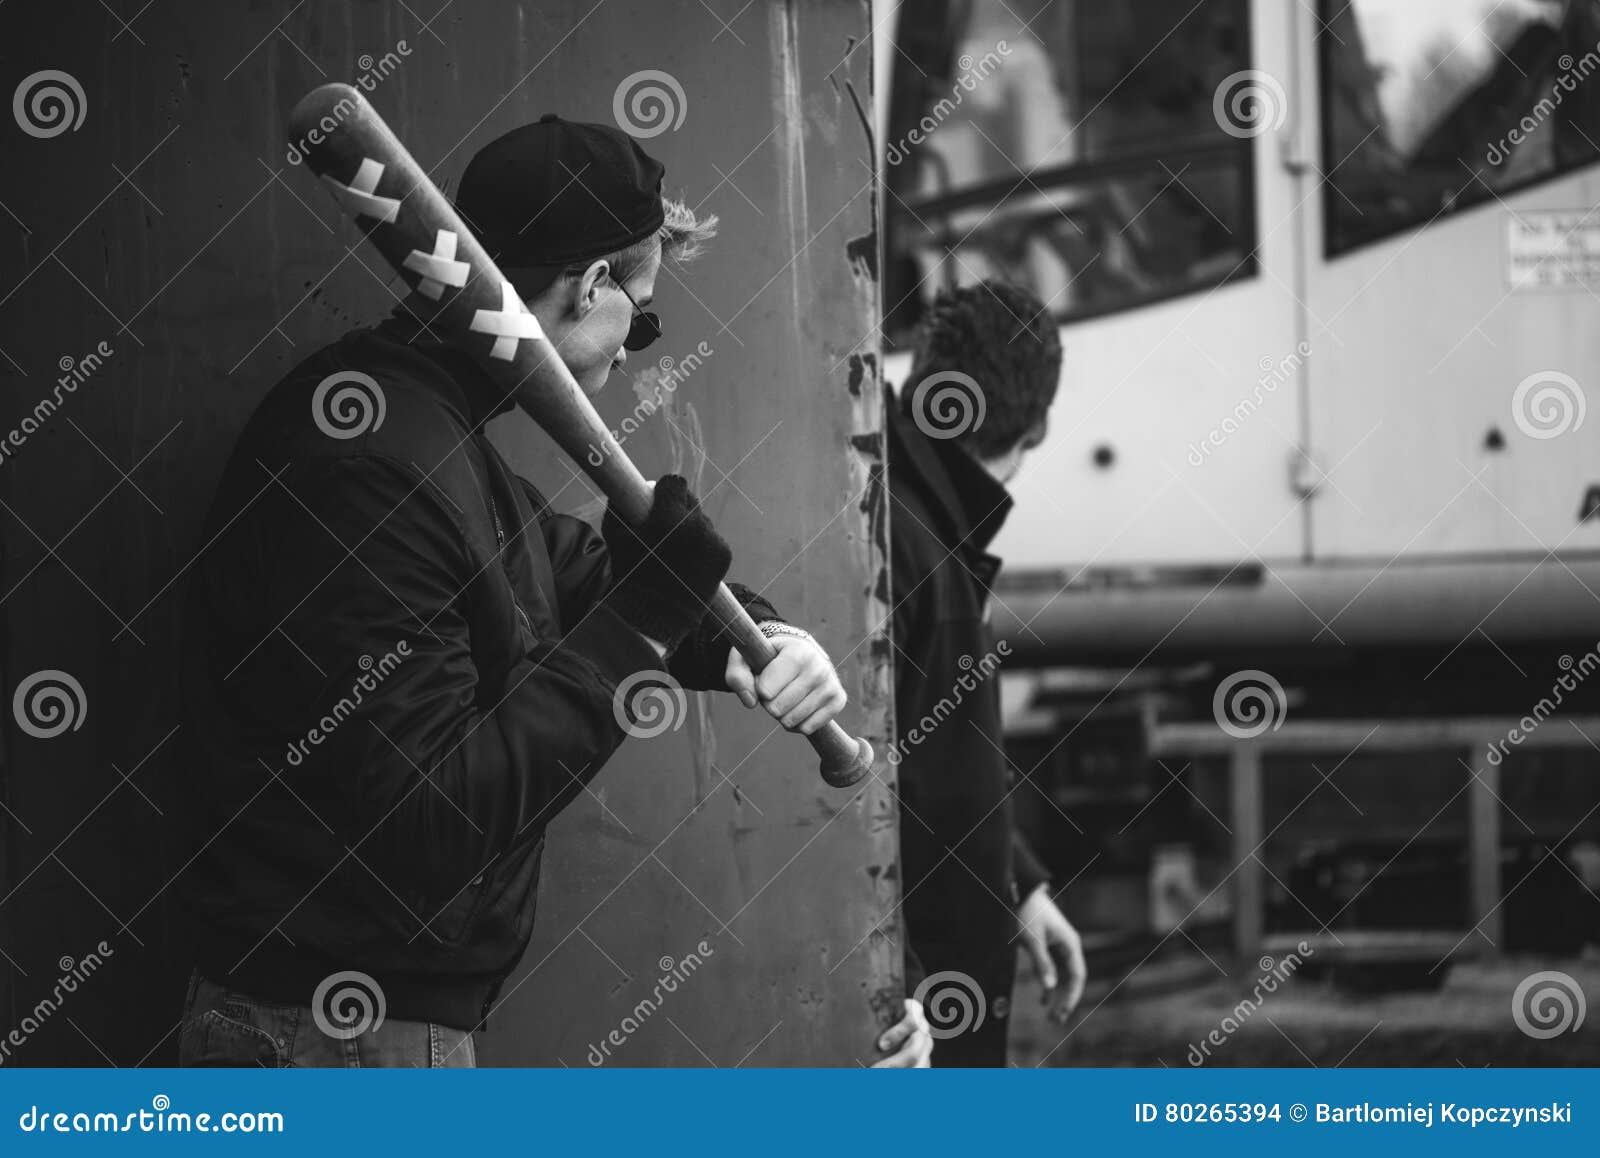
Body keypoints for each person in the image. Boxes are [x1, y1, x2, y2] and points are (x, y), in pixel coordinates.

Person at [177, 115, 929, 1067]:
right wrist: (642, 627)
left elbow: (594, 577)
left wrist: (761, 643)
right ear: (590, 286)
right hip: (321, 1044)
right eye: (642, 316)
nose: (634, 350)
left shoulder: (438, 444)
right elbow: (423, 826)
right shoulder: (368, 466)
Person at [888, 280, 1086, 1066]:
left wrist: (1019, 885)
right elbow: (859, 793)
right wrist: (894, 982)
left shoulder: (914, 518)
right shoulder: (912, 546)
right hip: (923, 1028)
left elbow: (945, 765)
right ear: (1034, 429)